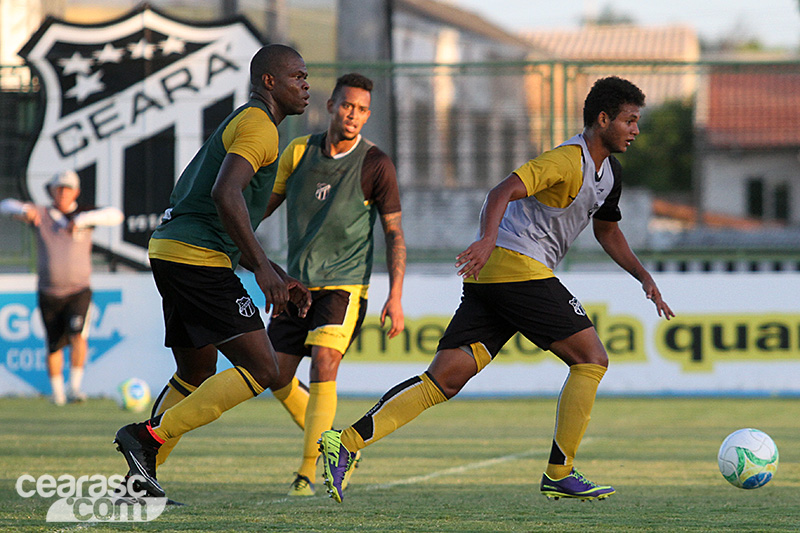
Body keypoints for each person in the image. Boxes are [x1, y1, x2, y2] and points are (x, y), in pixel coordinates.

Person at [318, 76, 675, 503]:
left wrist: (643, 276)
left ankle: (345, 442)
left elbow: (608, 231)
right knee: (591, 359)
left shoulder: (609, 174)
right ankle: (560, 472)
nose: (635, 130)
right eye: (629, 121)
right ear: (603, 119)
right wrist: (487, 239)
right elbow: (501, 190)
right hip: (515, 265)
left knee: (444, 380)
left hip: (496, 276)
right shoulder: (567, 160)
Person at [111, 44, 312, 500]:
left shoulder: (247, 120)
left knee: (195, 370)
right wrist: (262, 271)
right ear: (269, 82)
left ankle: (138, 484)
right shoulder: (260, 126)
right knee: (263, 368)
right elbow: (226, 194)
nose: (305, 85)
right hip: (196, 258)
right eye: (297, 76)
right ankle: (147, 436)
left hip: (171, 249)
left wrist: (276, 272)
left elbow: (222, 214)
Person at [263, 73, 406, 497]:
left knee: (323, 362)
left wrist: (395, 296)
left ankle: (307, 472)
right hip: (296, 286)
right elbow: (262, 207)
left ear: (368, 115)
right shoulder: (298, 152)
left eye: (362, 109)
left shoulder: (376, 163)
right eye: (347, 106)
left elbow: (394, 234)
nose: (353, 115)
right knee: (272, 373)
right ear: (330, 106)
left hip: (345, 285)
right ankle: (336, 444)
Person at [0, 171, 123, 405]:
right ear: (52, 191)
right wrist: (24, 210)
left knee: (78, 335)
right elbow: (5, 205)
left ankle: (74, 388)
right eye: (59, 188)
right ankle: (57, 394)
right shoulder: (42, 214)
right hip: (49, 291)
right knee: (53, 343)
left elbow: (116, 215)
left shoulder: (85, 214)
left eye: (67, 189)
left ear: (76, 191)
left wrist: (82, 220)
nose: (63, 193)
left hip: (78, 290)